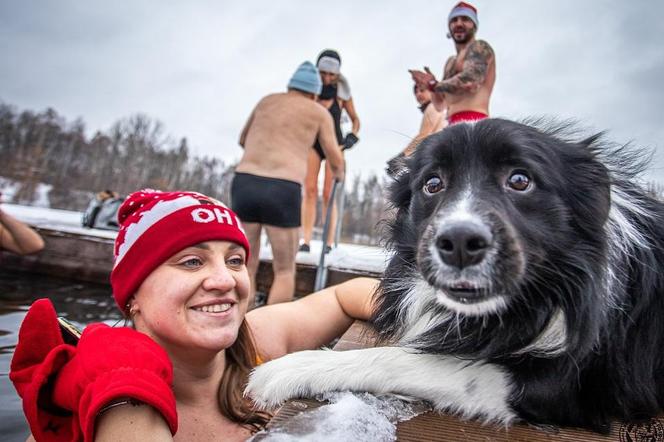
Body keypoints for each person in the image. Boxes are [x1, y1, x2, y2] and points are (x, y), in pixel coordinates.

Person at [10, 189, 377, 442]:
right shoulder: (110, 393)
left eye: (235, 261)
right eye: (191, 262)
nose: (225, 280)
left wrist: (423, 317)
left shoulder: (255, 344)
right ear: (133, 294)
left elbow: (346, 296)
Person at [232, 61, 345, 306]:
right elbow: (334, 156)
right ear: (315, 93)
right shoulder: (318, 112)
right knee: (284, 270)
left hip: (245, 183)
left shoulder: (267, 101)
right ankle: (269, 335)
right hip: (281, 189)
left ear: (290, 85)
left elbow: (243, 139)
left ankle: (239, 330)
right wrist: (340, 174)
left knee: (246, 267)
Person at [299, 49, 360, 255]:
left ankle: (328, 242)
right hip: (313, 143)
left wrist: (353, 135)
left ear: (337, 75)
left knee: (328, 193)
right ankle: (305, 240)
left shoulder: (342, 94)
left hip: (335, 144)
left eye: (331, 74)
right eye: (323, 73)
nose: (327, 78)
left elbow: (356, 120)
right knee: (309, 190)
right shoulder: (310, 92)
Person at [410, 2, 496, 125]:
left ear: (474, 25)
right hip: (451, 125)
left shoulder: (480, 47)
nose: (459, 23)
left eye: (465, 19)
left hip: (475, 123)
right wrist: (431, 87)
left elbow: (471, 81)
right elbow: (440, 105)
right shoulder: (450, 62)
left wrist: (434, 85)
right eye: (454, 20)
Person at [403, 82, 447, 157]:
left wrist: (403, 155)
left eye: (422, 90)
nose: (418, 94)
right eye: (416, 92)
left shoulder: (433, 106)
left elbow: (424, 135)